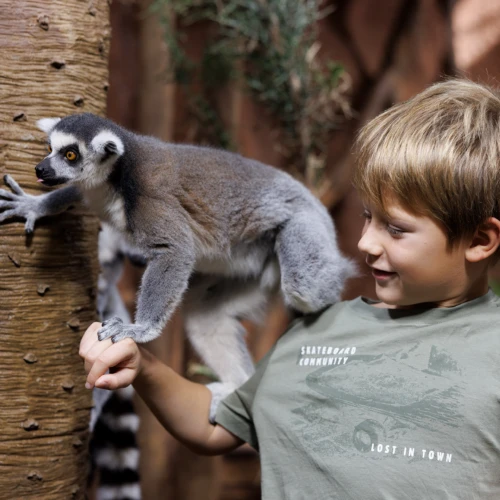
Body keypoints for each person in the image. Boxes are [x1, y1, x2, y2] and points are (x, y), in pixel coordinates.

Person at [80, 79, 500, 499]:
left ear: (480, 241)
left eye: (395, 229)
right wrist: (144, 366)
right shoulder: (320, 328)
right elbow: (218, 428)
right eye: (368, 217)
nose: (365, 242)